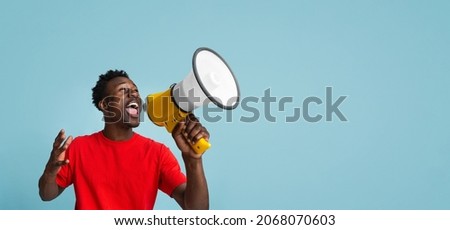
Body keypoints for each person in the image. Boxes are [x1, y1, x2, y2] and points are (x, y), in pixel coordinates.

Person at [38, 69, 209, 210]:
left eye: (135, 91)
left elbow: (197, 211)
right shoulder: (78, 147)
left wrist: (193, 160)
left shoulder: (158, 153)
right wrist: (50, 172)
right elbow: (46, 195)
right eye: (123, 90)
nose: (134, 95)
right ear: (105, 105)